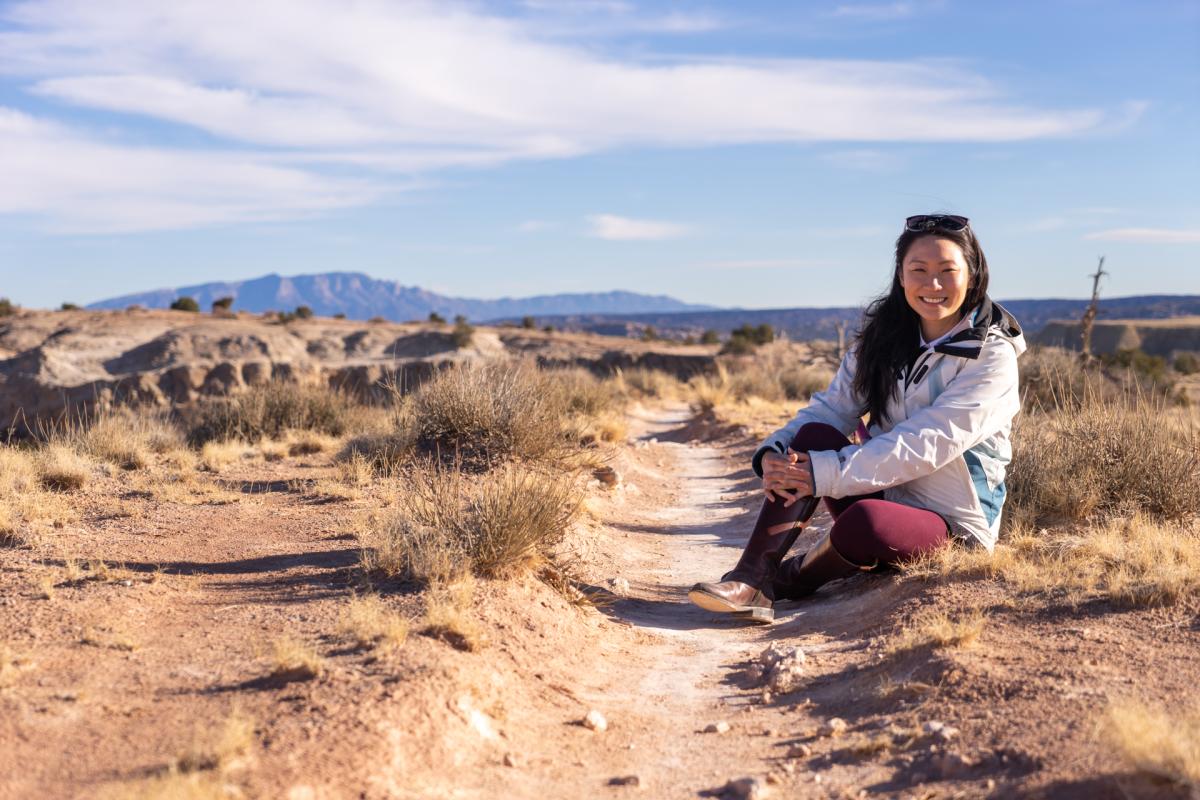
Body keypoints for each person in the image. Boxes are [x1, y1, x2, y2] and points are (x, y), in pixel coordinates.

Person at [689, 214, 1026, 623]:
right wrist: (775, 452)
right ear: (901, 277)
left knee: (865, 523)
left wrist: (822, 473)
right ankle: (750, 578)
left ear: (972, 275)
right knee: (813, 435)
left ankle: (786, 580)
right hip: (885, 489)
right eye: (918, 270)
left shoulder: (991, 355)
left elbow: (929, 442)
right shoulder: (885, 339)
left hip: (955, 522)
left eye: (947, 271)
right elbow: (833, 409)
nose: (933, 284)